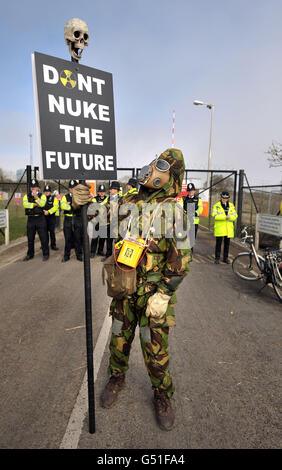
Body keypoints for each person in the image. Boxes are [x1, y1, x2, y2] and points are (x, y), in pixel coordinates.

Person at [72, 148, 191, 431]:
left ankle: (162, 395)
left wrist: (164, 293)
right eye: (152, 163)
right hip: (124, 287)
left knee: (155, 349)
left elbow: (182, 260)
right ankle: (117, 377)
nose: (151, 170)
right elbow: (97, 219)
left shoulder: (174, 212)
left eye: (160, 166)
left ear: (171, 177)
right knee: (118, 338)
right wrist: (80, 204)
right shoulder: (128, 201)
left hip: (153, 294)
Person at [22, 178, 49, 261]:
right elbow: (25, 204)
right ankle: (30, 254)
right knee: (30, 238)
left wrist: (36, 197)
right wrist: (35, 204)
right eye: (32, 187)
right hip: (31, 219)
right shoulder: (26, 196)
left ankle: (45, 254)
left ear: (38, 188)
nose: (33, 188)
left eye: (35, 186)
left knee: (43, 238)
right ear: (30, 188)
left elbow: (42, 203)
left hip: (40, 219)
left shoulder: (42, 196)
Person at [212, 191, 238, 264]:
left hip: (228, 228)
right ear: (221, 198)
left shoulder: (231, 205)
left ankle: (225, 258)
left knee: (227, 244)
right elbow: (214, 216)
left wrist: (230, 218)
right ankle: (217, 258)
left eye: (226, 198)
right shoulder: (216, 206)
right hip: (220, 228)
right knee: (218, 244)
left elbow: (235, 216)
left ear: (228, 198)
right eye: (223, 198)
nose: (224, 199)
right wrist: (225, 217)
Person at [60, 180, 83, 262]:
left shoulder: (80, 197)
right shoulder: (65, 197)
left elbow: (80, 207)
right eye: (71, 188)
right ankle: (66, 256)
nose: (72, 189)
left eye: (74, 188)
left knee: (78, 238)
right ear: (69, 189)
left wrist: (69, 204)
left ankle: (79, 255)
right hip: (68, 219)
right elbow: (63, 206)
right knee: (68, 239)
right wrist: (72, 206)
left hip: (77, 219)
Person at [101, 181, 121, 262]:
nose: (110, 191)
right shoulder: (108, 198)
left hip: (117, 224)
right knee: (108, 240)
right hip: (109, 223)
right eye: (110, 189)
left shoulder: (121, 198)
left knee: (118, 242)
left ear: (116, 190)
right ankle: (108, 256)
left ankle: (118, 257)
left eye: (111, 189)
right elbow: (103, 205)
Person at [181, 182, 203, 253]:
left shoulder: (198, 199)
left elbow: (200, 209)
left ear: (194, 191)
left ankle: (190, 253)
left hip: (194, 222)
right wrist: (185, 212)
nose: (191, 192)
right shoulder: (184, 199)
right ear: (187, 191)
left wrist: (195, 213)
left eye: (192, 190)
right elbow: (180, 207)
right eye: (189, 191)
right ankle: (184, 253)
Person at [89, 184, 108, 258]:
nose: (102, 193)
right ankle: (92, 251)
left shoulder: (107, 198)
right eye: (100, 191)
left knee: (102, 237)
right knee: (95, 237)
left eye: (103, 191)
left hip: (104, 221)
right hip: (96, 221)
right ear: (98, 192)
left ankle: (100, 251)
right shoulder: (94, 199)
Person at [43, 184, 59, 251]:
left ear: (50, 192)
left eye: (48, 191)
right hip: (43, 218)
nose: (47, 192)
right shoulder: (41, 198)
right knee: (44, 232)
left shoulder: (54, 199)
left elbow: (55, 207)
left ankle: (53, 245)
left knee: (52, 232)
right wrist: (43, 211)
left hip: (51, 217)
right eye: (45, 191)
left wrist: (48, 211)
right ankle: (44, 245)